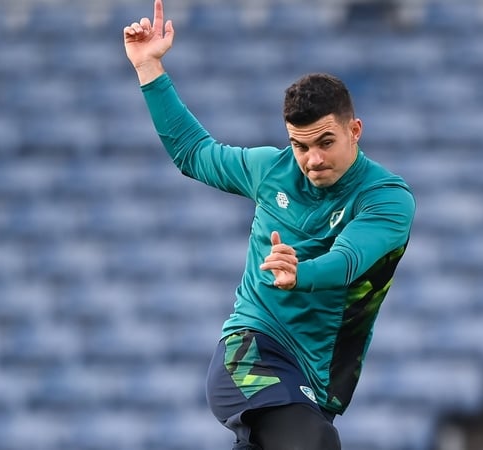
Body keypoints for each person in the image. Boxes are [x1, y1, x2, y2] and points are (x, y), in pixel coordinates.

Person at [123, 1, 415, 448]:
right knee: (315, 442)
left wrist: (302, 273)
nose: (312, 159)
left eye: (325, 142)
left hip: (314, 377)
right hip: (248, 351)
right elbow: (193, 153)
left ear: (354, 130)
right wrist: (149, 68)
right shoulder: (270, 170)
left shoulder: (386, 198)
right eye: (300, 146)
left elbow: (348, 261)